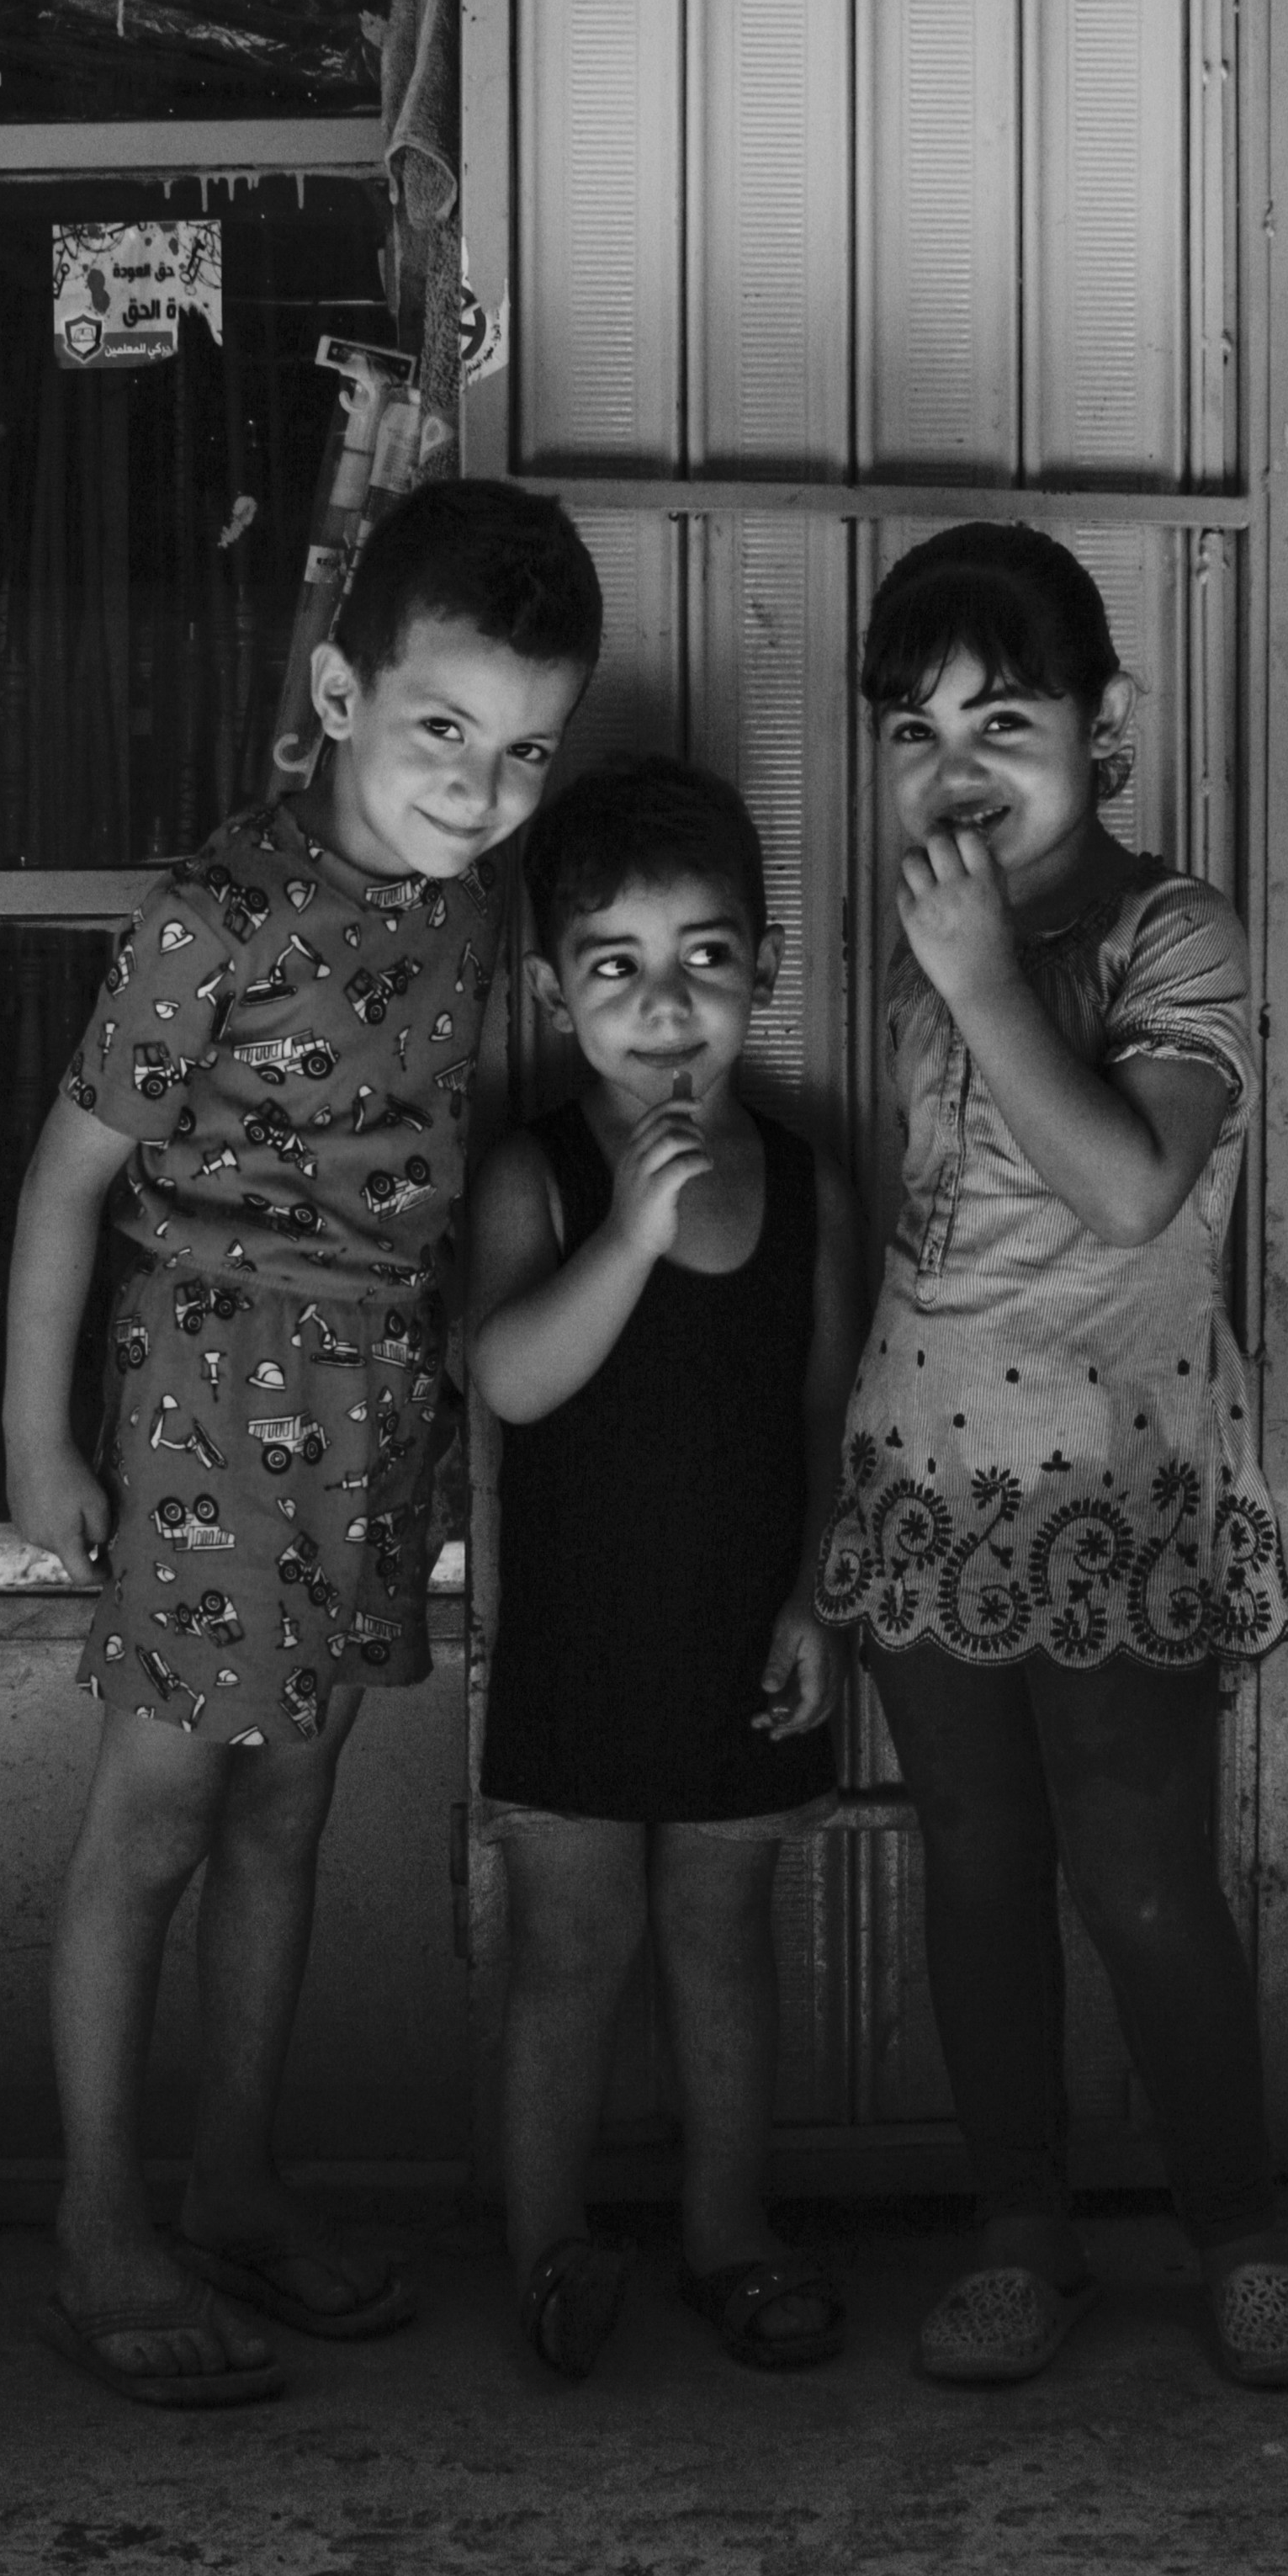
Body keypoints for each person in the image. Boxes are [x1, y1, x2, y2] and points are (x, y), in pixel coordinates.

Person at [4, 479, 602, 2407]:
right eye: (446, 730)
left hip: (378, 1415)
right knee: (158, 1824)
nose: (483, 786)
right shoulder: (216, 917)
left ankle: (239, 2181)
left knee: (289, 1816)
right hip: (202, 1401)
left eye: (526, 753)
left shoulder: (478, 905)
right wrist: (35, 1432)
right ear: (341, 694)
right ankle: (103, 2216)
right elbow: (70, 1177)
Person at [814, 524, 1288, 2393]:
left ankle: (1239, 2235)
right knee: (973, 1864)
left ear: (1105, 727)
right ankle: (1019, 2236)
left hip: (1110, 1496)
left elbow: (1133, 1187)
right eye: (911, 731)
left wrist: (972, 979)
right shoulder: (922, 958)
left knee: (1139, 1878)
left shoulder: (1166, 929)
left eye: (1004, 720)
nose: (953, 773)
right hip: (924, 1487)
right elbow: (911, 1231)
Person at [468, 757, 865, 2380]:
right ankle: (546, 2242)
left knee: (720, 1941)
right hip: (573, 1639)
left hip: (737, 1637)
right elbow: (506, 1379)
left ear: (762, 970)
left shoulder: (805, 1179)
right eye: (618, 969)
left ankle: (728, 2231)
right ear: (559, 994)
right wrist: (628, 1229)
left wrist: (816, 1596)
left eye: (706, 959)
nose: (665, 1005)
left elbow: (835, 1409)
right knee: (573, 1950)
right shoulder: (538, 1176)